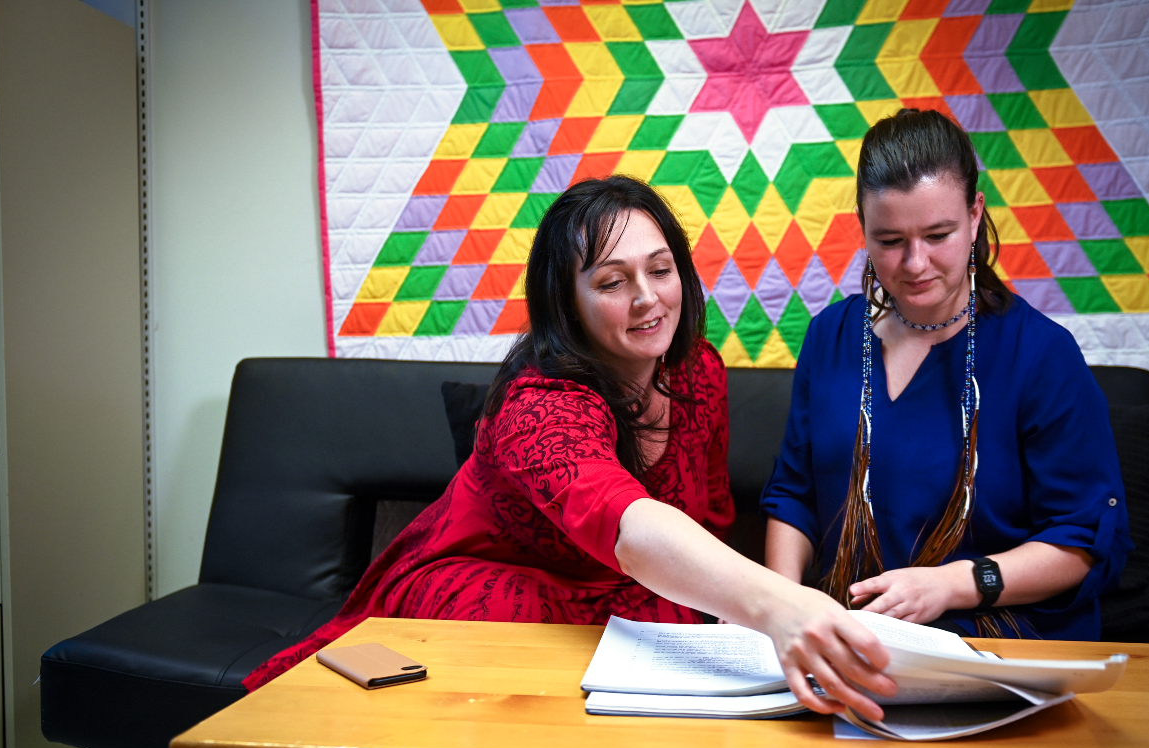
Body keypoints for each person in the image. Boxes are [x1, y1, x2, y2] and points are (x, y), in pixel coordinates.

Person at [244, 176, 898, 719]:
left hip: (632, 594)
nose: (647, 298)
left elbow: (704, 516)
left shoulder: (697, 370)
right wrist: (781, 604)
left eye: (661, 269)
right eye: (612, 282)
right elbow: (625, 523)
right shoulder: (538, 402)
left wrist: (729, 614)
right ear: (569, 301)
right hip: (492, 592)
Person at [761, 109, 1132, 640]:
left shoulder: (1042, 354)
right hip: (853, 643)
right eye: (889, 241)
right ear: (862, 228)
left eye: (938, 234)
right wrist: (783, 607)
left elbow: (1082, 541)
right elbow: (793, 496)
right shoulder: (831, 337)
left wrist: (955, 584)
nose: (915, 263)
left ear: (975, 214)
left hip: (997, 643)